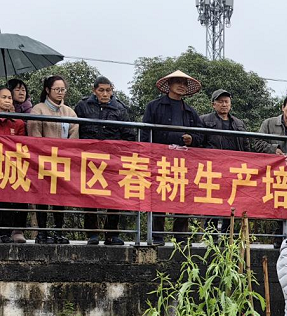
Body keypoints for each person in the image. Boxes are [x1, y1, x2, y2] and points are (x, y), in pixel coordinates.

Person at [141, 70, 204, 245]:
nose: (181, 86)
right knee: (159, 195)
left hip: (183, 162)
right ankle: (157, 235)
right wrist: (147, 155)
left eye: (184, 83)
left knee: (182, 197)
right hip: (159, 159)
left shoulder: (191, 112)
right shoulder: (154, 106)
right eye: (178, 82)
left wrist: (192, 139)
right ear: (169, 85)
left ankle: (181, 237)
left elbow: (201, 136)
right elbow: (145, 133)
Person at [74, 76, 136, 246]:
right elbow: (75, 130)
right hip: (89, 159)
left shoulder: (120, 109)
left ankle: (112, 234)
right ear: (94, 90)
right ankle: (92, 234)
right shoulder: (83, 106)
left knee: (114, 197)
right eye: (101, 90)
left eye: (108, 90)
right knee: (89, 196)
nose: (105, 93)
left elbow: (129, 135)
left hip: (113, 160)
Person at [27, 76, 78, 244]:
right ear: (47, 90)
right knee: (42, 196)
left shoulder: (69, 112)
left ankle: (58, 231)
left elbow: (74, 137)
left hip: (63, 161)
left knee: (60, 197)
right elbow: (35, 137)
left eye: (63, 90)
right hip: (42, 160)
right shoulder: (38, 110)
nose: (60, 93)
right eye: (57, 89)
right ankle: (42, 232)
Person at [0, 88, 28, 243]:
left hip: (12, 165)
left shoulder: (17, 122)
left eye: (9, 97)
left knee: (16, 194)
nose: (7, 100)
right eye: (3, 97)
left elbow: (23, 144)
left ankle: (14, 230)